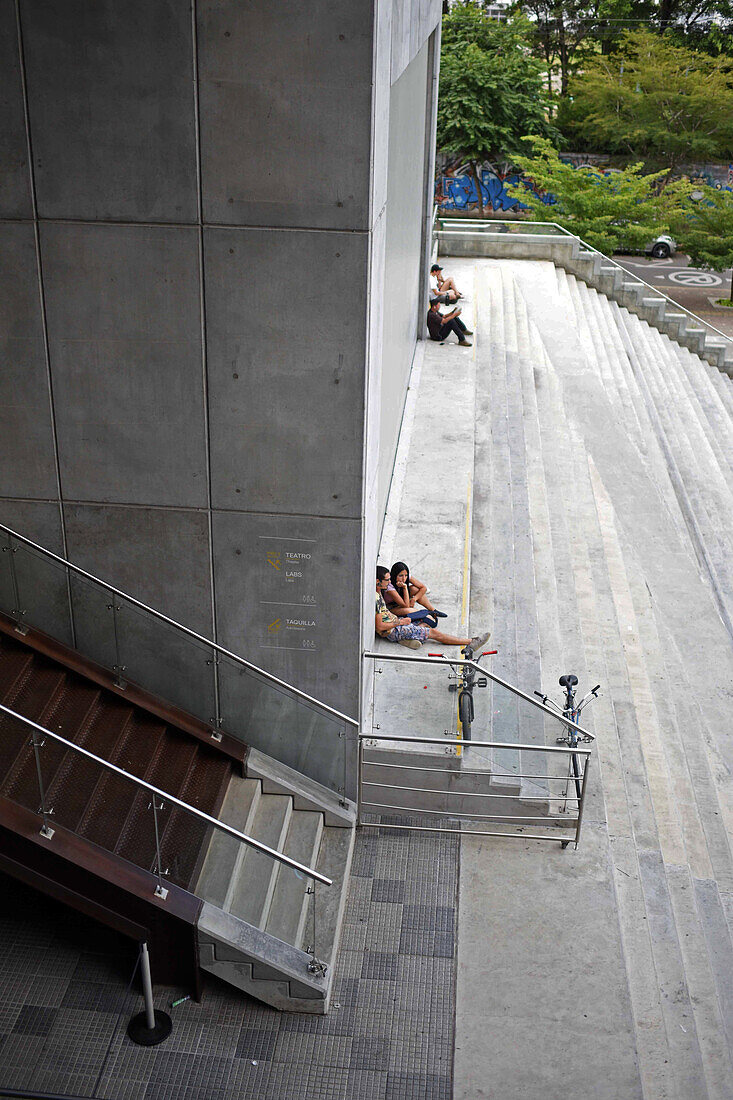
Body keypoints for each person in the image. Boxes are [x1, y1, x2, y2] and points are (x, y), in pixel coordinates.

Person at [376, 567, 489, 652]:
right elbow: (380, 627)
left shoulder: (379, 591)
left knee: (427, 621)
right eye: (387, 580)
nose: (389, 582)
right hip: (394, 630)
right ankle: (471, 642)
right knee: (433, 633)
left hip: (396, 623)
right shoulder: (376, 599)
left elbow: (421, 588)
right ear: (378, 582)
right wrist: (400, 622)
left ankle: (408, 639)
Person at [385, 561, 448, 625]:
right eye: (400, 576)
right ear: (394, 575)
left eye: (406, 575)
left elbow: (423, 588)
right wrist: (405, 588)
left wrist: (414, 599)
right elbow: (406, 606)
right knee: (408, 610)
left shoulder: (405, 576)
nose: (404, 578)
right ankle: (426, 614)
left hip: (403, 601)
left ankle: (433, 610)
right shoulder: (389, 586)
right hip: (391, 607)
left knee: (415, 589)